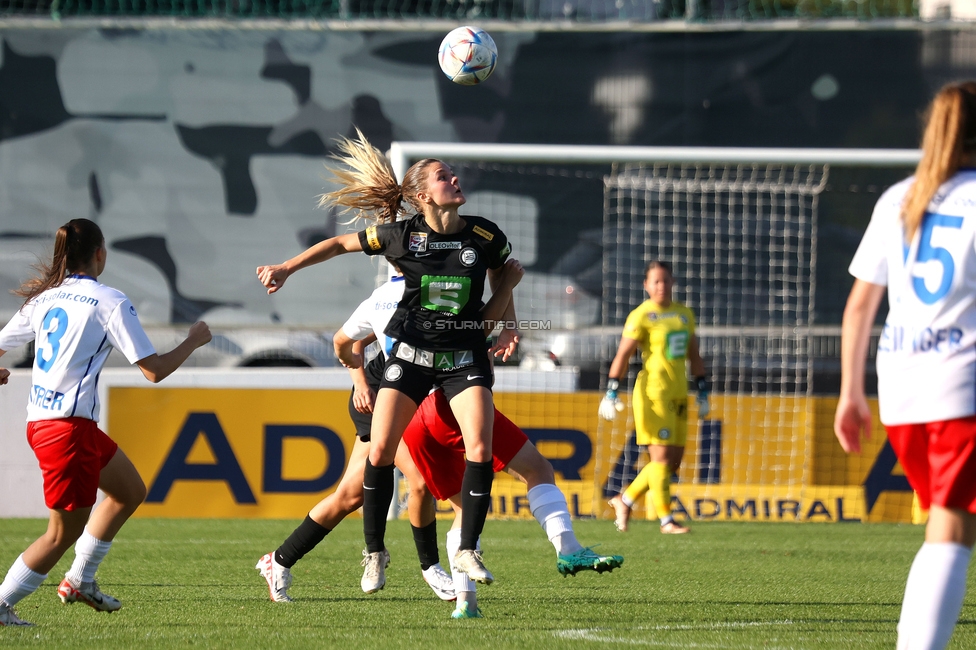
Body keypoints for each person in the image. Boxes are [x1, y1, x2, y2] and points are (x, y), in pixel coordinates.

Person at [257, 130, 512, 591]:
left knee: (361, 492)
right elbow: (342, 338)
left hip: (455, 364)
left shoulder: (483, 236)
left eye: (452, 173)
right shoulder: (388, 287)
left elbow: (497, 283)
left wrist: (510, 317)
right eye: (442, 175)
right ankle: (398, 559)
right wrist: (287, 269)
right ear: (419, 198)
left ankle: (453, 554)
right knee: (408, 480)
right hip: (386, 383)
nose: (454, 178)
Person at [333, 266, 623, 619]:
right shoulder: (446, 292)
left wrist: (360, 378)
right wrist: (508, 303)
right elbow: (487, 306)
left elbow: (345, 341)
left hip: (411, 412)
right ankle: (569, 548)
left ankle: (464, 603)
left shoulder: (383, 299)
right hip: (449, 402)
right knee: (538, 469)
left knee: (459, 506)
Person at [0, 218, 212, 627]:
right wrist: (193, 340)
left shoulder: (44, 299)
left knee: (129, 490)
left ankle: (81, 579)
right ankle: (3, 603)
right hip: (66, 430)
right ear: (100, 254)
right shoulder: (108, 300)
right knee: (61, 534)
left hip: (54, 424)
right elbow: (153, 371)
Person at [834, 81, 976, 650]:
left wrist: (851, 391)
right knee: (950, 527)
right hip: (961, 388)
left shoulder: (900, 196)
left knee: (949, 524)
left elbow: (861, 304)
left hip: (902, 389)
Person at [601, 261, 708, 535]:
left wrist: (703, 388)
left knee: (672, 463)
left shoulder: (683, 314)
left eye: (665, 281)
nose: (661, 286)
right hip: (652, 394)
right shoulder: (642, 315)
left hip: (679, 393)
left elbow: (693, 354)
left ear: (673, 283)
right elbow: (623, 354)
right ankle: (666, 520)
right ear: (646, 286)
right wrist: (612, 390)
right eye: (656, 282)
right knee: (659, 460)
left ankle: (624, 500)